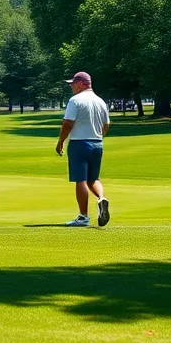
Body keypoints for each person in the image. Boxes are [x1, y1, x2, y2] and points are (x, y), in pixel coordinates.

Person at [55, 71, 111, 227]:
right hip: (97, 143)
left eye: (73, 83)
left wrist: (60, 141)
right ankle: (101, 199)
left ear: (81, 83)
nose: (71, 86)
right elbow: (106, 125)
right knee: (94, 179)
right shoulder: (101, 101)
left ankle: (83, 217)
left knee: (81, 180)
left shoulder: (75, 100)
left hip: (79, 143)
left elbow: (67, 123)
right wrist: (100, 137)